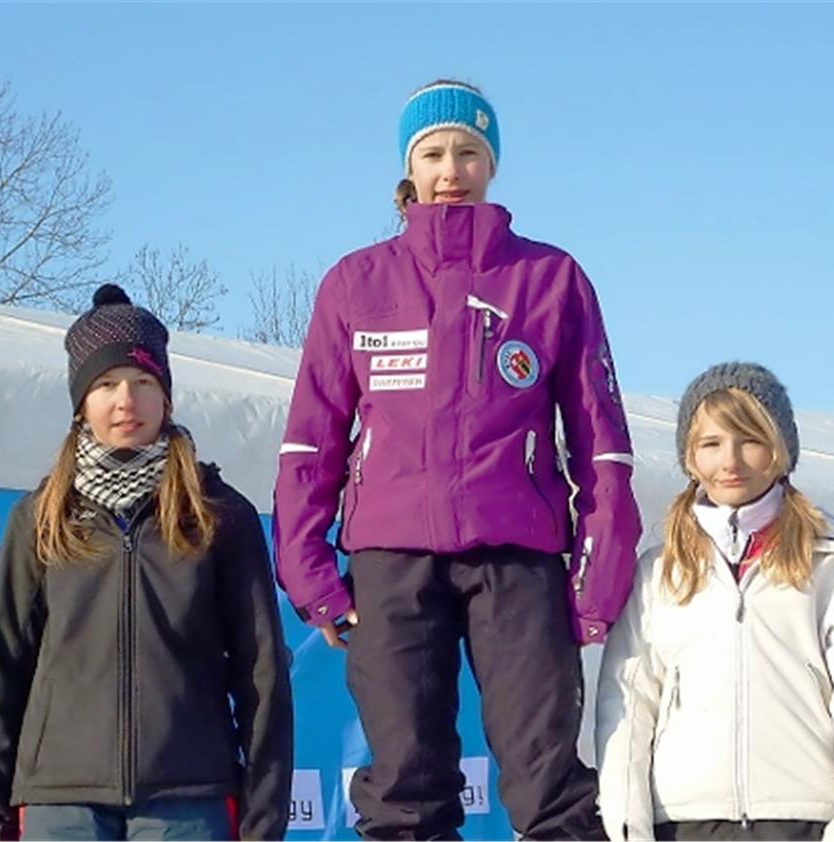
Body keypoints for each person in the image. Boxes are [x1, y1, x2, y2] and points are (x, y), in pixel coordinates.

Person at [273, 79, 642, 840]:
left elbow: (601, 444)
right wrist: (311, 572)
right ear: (409, 167)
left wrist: (597, 576)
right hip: (391, 562)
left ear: (492, 165)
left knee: (549, 782)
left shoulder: (551, 279)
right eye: (434, 153)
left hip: (518, 560)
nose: (452, 169)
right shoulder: (356, 283)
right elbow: (312, 441)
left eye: (469, 152)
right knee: (405, 786)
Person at [0, 285, 293, 841]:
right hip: (59, 802)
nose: (126, 400)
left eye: (143, 382)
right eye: (105, 384)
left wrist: (264, 818)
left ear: (166, 396)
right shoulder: (40, 518)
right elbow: (5, 667)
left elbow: (260, 672)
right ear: (81, 402)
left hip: (189, 799)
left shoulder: (219, 514)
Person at [595, 362, 834, 841]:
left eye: (750, 440)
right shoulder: (660, 571)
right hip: (684, 821)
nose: (730, 461)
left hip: (800, 819)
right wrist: (627, 828)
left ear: (780, 451)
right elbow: (628, 703)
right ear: (690, 457)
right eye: (711, 444)